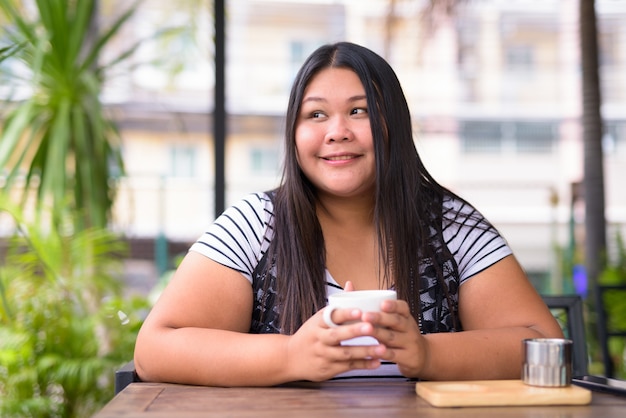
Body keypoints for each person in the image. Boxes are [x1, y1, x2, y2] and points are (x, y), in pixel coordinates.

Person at [134, 42, 563, 387]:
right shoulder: (255, 224)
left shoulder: (451, 225)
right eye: (316, 114)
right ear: (294, 133)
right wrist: (291, 356)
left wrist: (428, 353)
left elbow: (545, 342)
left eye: (358, 111)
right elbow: (155, 349)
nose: (337, 131)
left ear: (392, 123)